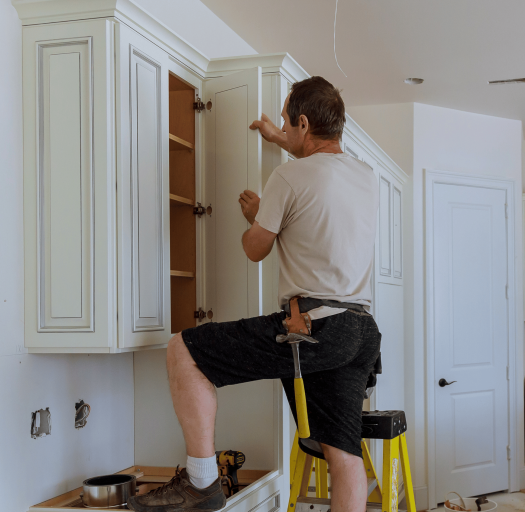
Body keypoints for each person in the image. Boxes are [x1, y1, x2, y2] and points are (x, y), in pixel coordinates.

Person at [128, 76, 380, 512]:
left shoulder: (288, 176)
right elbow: (315, 163)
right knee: (344, 453)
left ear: (303, 123)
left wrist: (257, 215)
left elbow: (254, 249)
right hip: (360, 330)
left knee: (183, 351)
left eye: (287, 122)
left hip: (313, 327)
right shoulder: (363, 174)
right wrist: (277, 137)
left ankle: (201, 484)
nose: (283, 127)